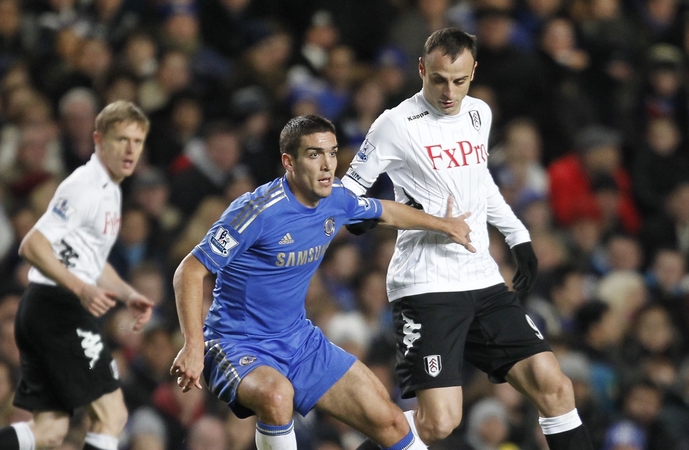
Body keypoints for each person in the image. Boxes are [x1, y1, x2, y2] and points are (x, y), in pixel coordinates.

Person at [340, 28, 593, 450]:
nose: (448, 92)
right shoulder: (395, 124)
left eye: (459, 81)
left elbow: (479, 184)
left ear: (473, 71)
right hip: (427, 285)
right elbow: (349, 197)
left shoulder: (479, 113)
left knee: (555, 386)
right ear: (422, 69)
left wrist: (518, 237)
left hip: (482, 278)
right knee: (440, 422)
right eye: (438, 79)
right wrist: (378, 216)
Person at [169, 114, 474, 450]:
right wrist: (194, 346)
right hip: (236, 344)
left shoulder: (337, 198)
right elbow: (190, 271)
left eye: (332, 153)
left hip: (299, 341)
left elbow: (385, 211)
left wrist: (442, 225)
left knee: (389, 420)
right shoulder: (256, 212)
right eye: (315, 154)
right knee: (276, 395)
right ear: (289, 161)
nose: (328, 165)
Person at [0, 100, 156, 450]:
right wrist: (81, 289)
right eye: (121, 139)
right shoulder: (85, 188)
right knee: (112, 415)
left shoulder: (110, 191)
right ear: (98, 140)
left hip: (46, 308)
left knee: (50, 430)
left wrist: (125, 293)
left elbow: (89, 260)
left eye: (137, 141)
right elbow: (32, 245)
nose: (130, 149)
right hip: (59, 309)